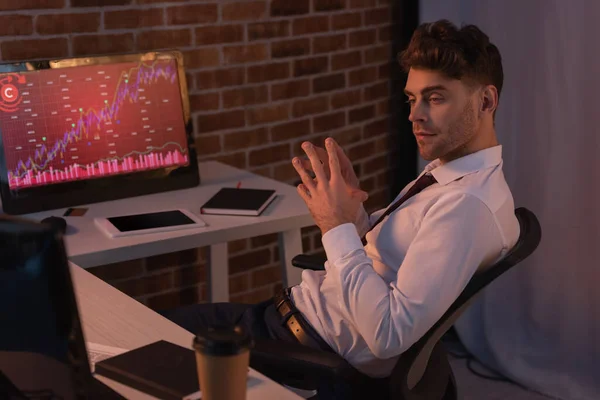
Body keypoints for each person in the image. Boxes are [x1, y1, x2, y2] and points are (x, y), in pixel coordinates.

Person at [162, 19, 520, 398]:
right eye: (411, 99)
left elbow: (388, 334)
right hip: (289, 318)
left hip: (299, 349)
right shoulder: (454, 177)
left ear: (485, 101)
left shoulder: (465, 206)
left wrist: (335, 227)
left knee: (145, 336)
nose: (415, 115)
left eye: (435, 98)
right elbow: (394, 265)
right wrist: (355, 219)